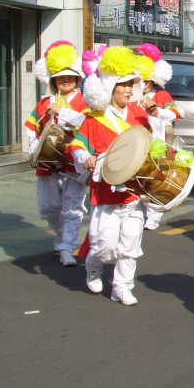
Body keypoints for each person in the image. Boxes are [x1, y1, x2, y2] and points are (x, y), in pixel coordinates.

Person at [69, 46, 152, 305]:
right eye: (122, 84)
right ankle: (93, 268)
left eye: (131, 84)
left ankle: (123, 287)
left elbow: (152, 147)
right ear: (110, 87)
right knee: (104, 247)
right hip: (105, 192)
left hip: (133, 192)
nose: (128, 90)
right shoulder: (94, 118)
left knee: (130, 245)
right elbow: (77, 146)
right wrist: (86, 158)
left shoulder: (139, 115)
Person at [24, 41, 90, 267]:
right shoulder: (43, 103)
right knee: (49, 207)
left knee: (73, 207)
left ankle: (67, 247)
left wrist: (63, 112)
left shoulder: (85, 102)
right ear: (53, 80)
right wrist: (34, 150)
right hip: (47, 163)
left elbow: (88, 125)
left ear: (78, 79)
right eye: (61, 77)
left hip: (74, 161)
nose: (66, 80)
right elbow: (32, 128)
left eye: (70, 76)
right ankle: (62, 236)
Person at [135, 44, 181, 230]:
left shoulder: (162, 94)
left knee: (155, 178)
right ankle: (138, 212)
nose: (144, 84)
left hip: (158, 143)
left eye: (147, 80)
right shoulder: (131, 95)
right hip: (137, 142)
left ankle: (154, 216)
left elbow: (175, 113)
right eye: (141, 80)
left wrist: (157, 110)